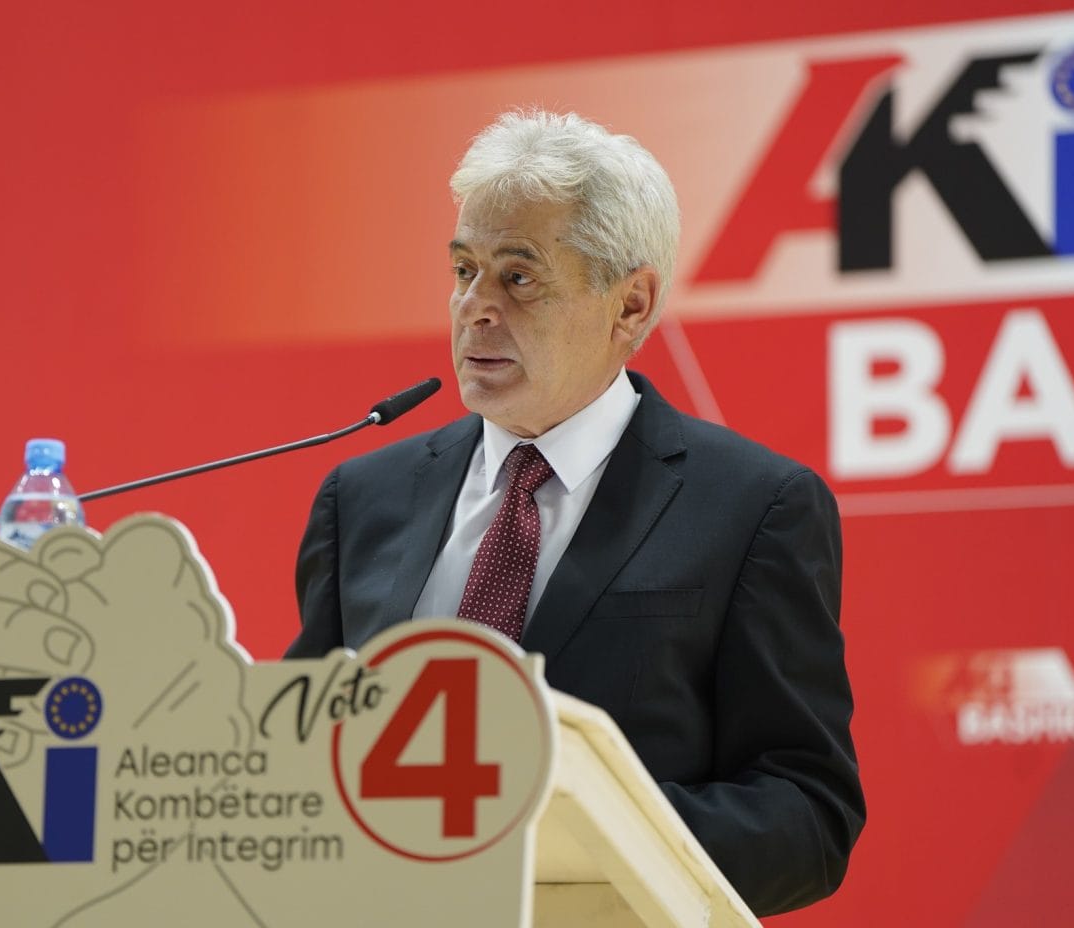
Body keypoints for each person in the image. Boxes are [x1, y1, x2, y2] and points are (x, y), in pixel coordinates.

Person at [285, 110, 865, 916]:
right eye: (464, 270)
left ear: (631, 304)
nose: (475, 307)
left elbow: (807, 813)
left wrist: (586, 836)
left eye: (518, 278)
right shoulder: (363, 498)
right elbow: (297, 755)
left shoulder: (752, 508)